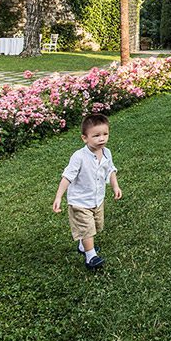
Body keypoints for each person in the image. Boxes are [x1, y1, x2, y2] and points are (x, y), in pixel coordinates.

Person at [52, 114, 122, 272]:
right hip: (80, 201)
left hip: (97, 199)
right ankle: (91, 257)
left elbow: (110, 170)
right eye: (96, 135)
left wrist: (115, 186)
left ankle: (83, 246)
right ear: (85, 138)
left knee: (96, 225)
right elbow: (67, 177)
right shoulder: (79, 157)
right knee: (87, 228)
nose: (101, 139)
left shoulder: (106, 153)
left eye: (105, 134)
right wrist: (58, 196)